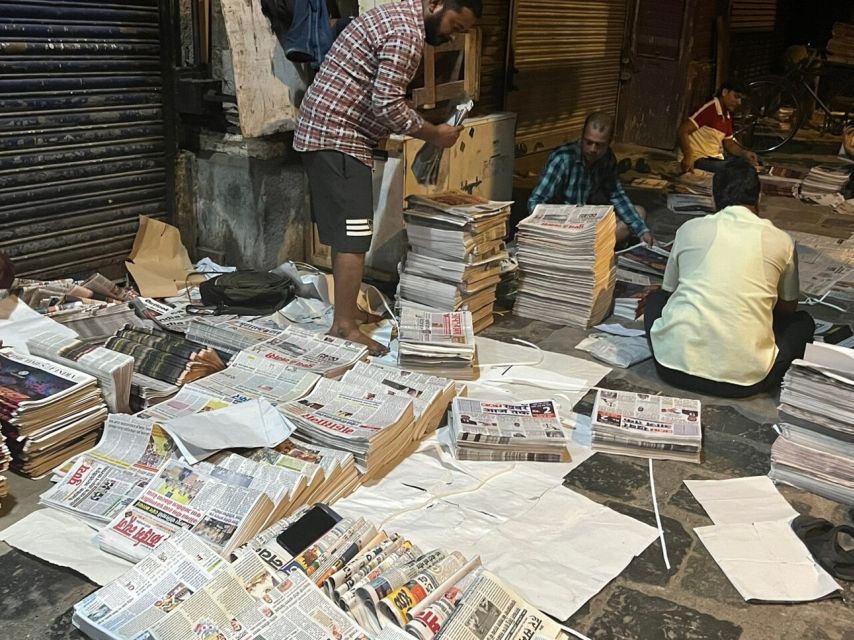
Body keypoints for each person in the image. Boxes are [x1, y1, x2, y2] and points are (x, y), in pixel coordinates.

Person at [294, 0, 481, 355]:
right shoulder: (407, 34)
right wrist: (432, 134)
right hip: (337, 135)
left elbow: (380, 92)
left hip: (329, 131)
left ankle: (346, 312)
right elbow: (385, 103)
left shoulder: (395, 15)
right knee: (354, 235)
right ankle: (344, 328)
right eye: (455, 25)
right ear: (436, 4)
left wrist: (425, 119)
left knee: (347, 233)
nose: (453, 35)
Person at [644, 158, 814, 398]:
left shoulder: (688, 229)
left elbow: (669, 291)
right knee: (802, 323)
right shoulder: (781, 240)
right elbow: (787, 308)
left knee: (655, 301)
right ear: (759, 198)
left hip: (672, 367)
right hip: (745, 381)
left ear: (713, 199)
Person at [527, 112, 653, 246]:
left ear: (609, 143)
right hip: (563, 225)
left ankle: (586, 246)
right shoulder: (562, 159)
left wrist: (642, 231)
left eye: (599, 145)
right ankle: (584, 247)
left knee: (639, 213)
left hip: (588, 222)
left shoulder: (607, 159)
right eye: (588, 142)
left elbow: (616, 196)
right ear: (582, 136)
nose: (593, 149)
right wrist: (556, 224)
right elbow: (535, 202)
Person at [678, 80, 759, 173]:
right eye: (736, 97)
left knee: (747, 164)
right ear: (724, 92)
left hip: (715, 159)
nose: (739, 102)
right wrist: (688, 156)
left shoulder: (727, 115)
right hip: (699, 159)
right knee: (738, 170)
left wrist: (744, 153)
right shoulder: (710, 109)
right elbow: (683, 130)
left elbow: (730, 144)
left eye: (741, 99)